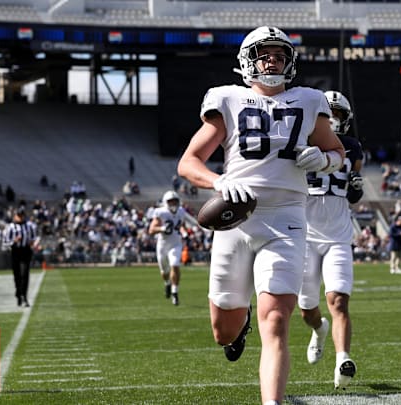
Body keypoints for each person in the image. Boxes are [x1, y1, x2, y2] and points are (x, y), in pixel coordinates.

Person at [176, 26, 345, 405]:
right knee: (223, 331)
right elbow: (188, 163)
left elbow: (337, 152)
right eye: (265, 54)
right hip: (235, 216)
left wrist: (326, 159)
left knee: (278, 320)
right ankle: (241, 323)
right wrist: (219, 182)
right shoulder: (228, 99)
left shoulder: (309, 100)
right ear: (247, 59)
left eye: (280, 54)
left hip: (286, 215)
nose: (273, 60)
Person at [298, 90, 363, 389]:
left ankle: (342, 359)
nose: (333, 120)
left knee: (338, 300)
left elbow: (354, 195)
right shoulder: (299, 142)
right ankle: (319, 330)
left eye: (338, 114)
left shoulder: (353, 149)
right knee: (307, 310)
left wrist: (356, 185)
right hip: (305, 237)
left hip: (338, 236)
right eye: (329, 113)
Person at [148, 190, 187, 306]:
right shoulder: (161, 212)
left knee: (175, 265)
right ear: (166, 202)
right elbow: (151, 230)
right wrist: (162, 229)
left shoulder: (181, 211)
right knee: (164, 272)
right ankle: (167, 283)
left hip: (176, 244)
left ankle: (175, 293)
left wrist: (184, 232)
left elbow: (181, 226)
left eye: (175, 201)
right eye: (171, 202)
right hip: (163, 245)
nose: (173, 204)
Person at [2, 208, 39, 306]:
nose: (20, 217)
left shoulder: (30, 226)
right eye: (18, 215)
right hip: (15, 251)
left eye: (22, 215)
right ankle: (18, 294)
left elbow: (35, 238)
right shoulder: (10, 227)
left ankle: (24, 296)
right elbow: (5, 243)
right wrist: (14, 241)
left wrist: (33, 243)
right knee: (17, 275)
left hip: (26, 250)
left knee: (25, 274)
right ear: (15, 216)